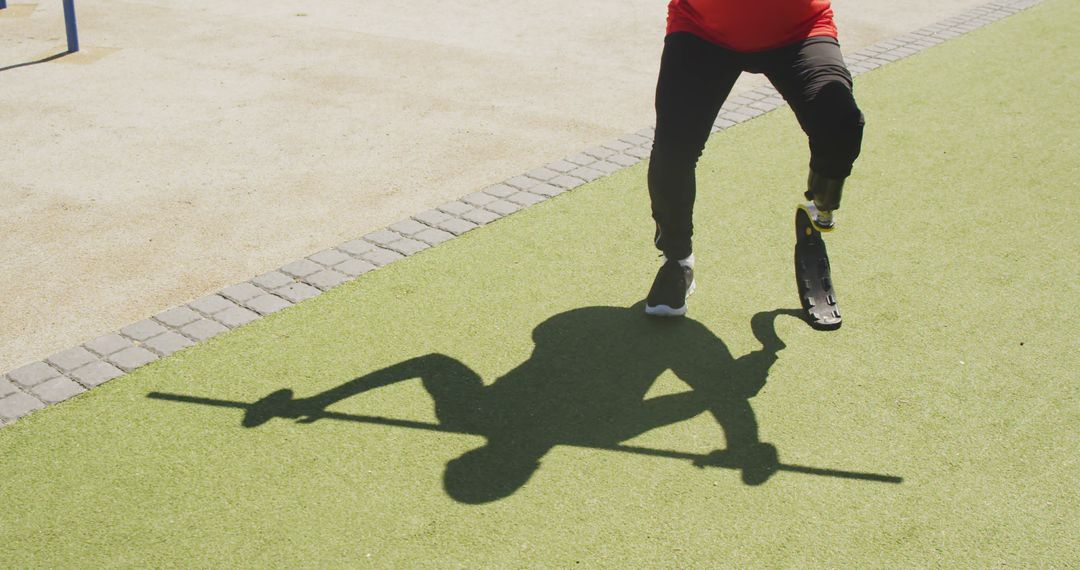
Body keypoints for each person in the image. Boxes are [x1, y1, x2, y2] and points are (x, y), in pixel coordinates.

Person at [644, 0, 865, 320]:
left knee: (841, 123)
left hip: (799, 31)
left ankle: (821, 204)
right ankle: (677, 260)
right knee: (674, 148)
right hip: (702, 30)